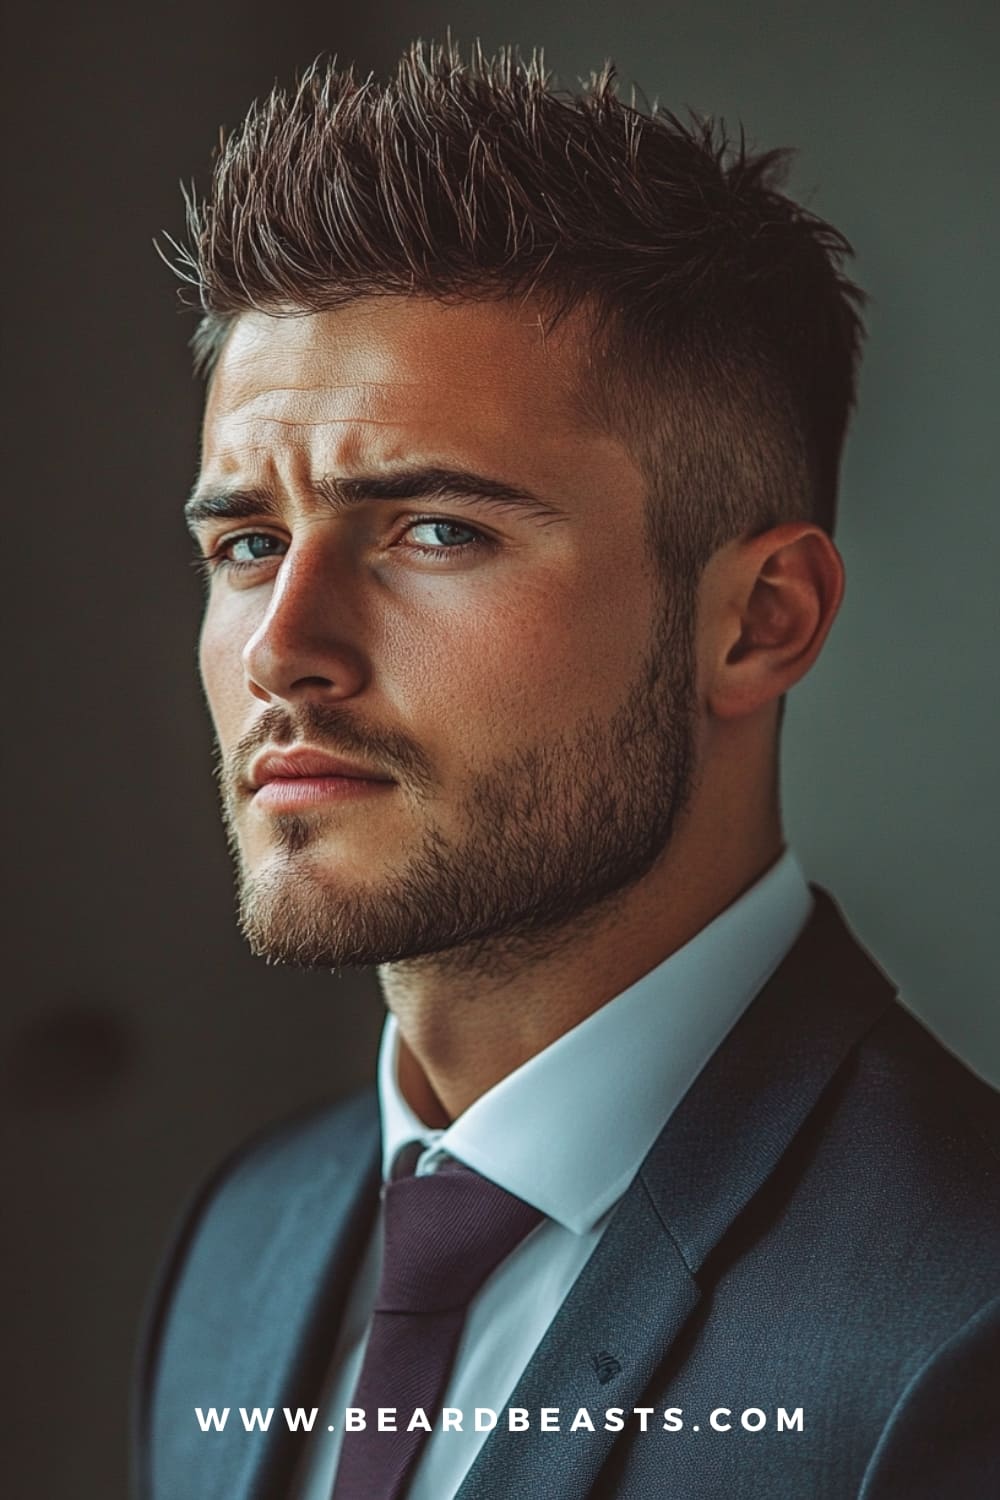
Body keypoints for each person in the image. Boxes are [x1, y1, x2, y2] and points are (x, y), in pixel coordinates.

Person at [136, 40, 999, 1500]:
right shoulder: (244, 1236)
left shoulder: (962, 1323)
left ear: (758, 621)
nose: (284, 651)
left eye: (435, 533)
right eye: (247, 546)